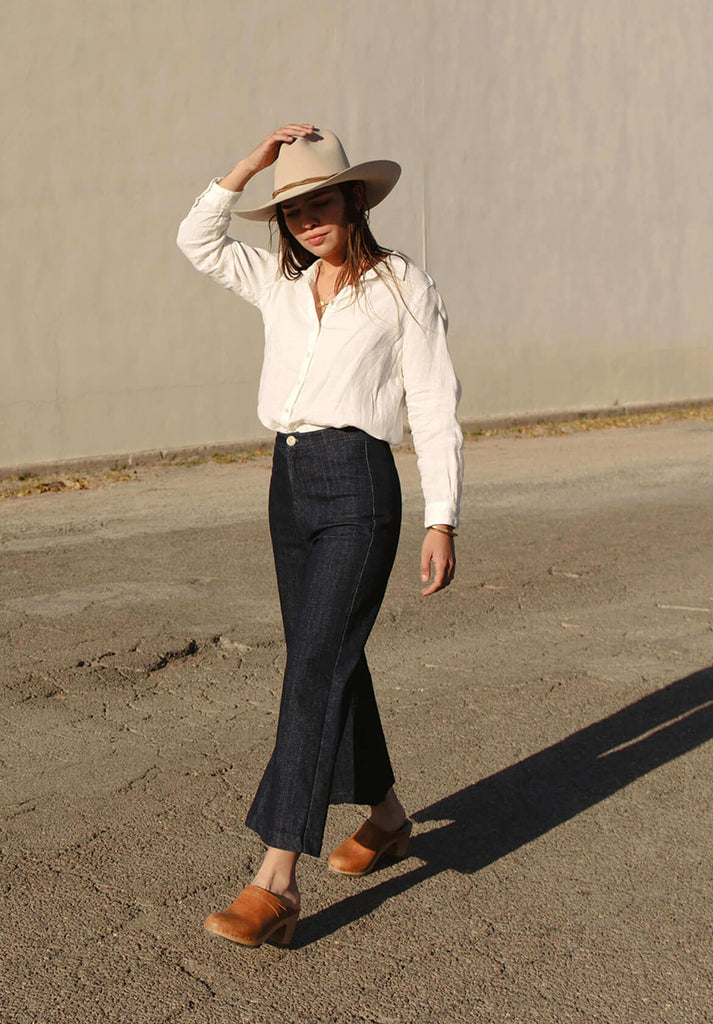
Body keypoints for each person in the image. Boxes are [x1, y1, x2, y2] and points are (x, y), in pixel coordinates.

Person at [177, 124, 463, 948]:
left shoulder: (402, 285)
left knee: (310, 669)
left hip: (359, 489)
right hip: (290, 483)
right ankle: (387, 818)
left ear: (354, 201)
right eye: (292, 209)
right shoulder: (274, 277)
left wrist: (442, 516)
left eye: (320, 202)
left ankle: (276, 879)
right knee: (331, 657)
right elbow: (195, 237)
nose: (306, 220)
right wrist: (249, 165)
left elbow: (433, 403)